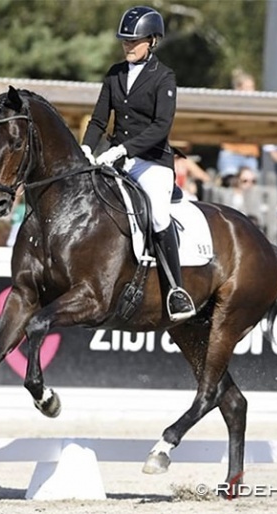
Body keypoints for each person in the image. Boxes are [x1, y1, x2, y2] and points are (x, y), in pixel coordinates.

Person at [80, 5, 195, 321]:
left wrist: (123, 150)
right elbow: (99, 119)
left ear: (153, 41)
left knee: (158, 216)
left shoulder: (164, 77)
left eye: (135, 41)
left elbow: (161, 127)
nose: (128, 46)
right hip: (116, 158)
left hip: (152, 162)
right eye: (125, 41)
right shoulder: (115, 74)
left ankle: (176, 290)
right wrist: (86, 150)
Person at [216, 70, 260, 177]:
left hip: (250, 156)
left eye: (252, 87)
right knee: (229, 184)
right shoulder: (228, 107)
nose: (251, 91)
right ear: (238, 89)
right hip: (230, 153)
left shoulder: (258, 108)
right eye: (247, 87)